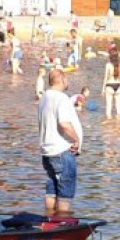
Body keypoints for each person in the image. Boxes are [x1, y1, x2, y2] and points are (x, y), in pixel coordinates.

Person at [38, 69, 82, 215]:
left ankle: (49, 218)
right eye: (67, 80)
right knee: (65, 193)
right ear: (62, 80)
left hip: (47, 151)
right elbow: (63, 124)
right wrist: (76, 139)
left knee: (51, 189)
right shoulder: (61, 98)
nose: (68, 83)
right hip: (62, 151)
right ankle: (62, 223)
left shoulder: (45, 96)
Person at [102, 51, 120, 119]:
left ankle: (109, 124)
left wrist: (103, 89)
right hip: (118, 86)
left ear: (110, 57)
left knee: (109, 107)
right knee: (118, 108)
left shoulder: (108, 65)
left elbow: (105, 77)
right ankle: (118, 125)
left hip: (109, 85)